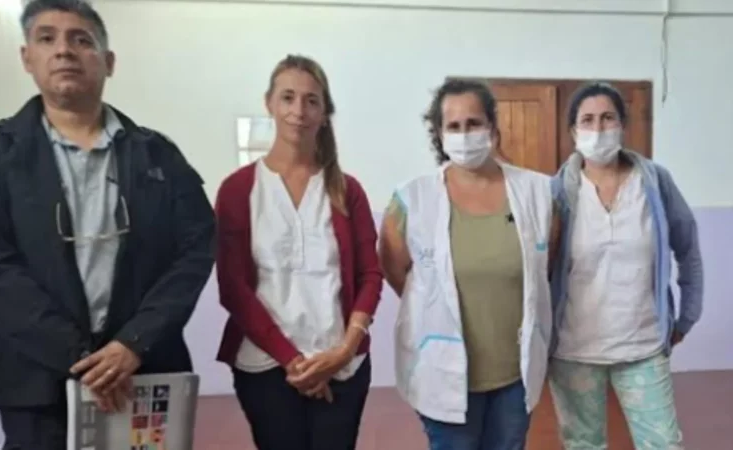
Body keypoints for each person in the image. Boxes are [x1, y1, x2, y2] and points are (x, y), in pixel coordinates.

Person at [0, 1, 216, 449]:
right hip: (38, 384)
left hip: (144, 372)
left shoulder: (159, 156)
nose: (64, 50)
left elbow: (196, 249)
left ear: (108, 62)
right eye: (47, 38)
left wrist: (133, 343)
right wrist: (82, 358)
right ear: (27, 57)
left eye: (81, 39)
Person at [214, 54, 382, 450]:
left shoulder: (347, 190)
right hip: (265, 365)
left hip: (343, 365)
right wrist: (293, 361)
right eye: (288, 98)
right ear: (269, 103)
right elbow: (233, 288)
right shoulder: (238, 190)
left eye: (311, 100)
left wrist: (344, 351)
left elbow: (370, 276)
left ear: (324, 112)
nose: (299, 111)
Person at [379, 78, 557, 450]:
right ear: (439, 134)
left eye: (474, 123)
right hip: (442, 371)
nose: (464, 134)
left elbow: (546, 267)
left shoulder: (537, 192)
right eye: (454, 126)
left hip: (514, 377)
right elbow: (398, 273)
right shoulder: (412, 199)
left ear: (492, 126)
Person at [548, 81, 703, 449]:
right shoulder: (558, 191)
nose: (598, 128)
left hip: (643, 348)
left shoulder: (655, 182)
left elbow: (688, 251)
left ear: (623, 125)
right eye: (587, 120)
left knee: (664, 443)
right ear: (573, 131)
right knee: (583, 444)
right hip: (573, 351)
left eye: (608, 118)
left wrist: (686, 317)